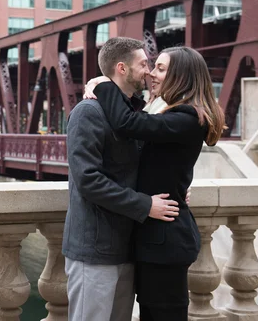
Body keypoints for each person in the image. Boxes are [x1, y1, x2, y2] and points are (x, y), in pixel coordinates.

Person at [84, 46, 226, 321]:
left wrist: (103, 84)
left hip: (166, 243)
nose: (152, 74)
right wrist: (177, 187)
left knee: (165, 315)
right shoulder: (177, 114)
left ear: (181, 75)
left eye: (161, 68)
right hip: (157, 241)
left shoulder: (186, 117)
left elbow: (127, 123)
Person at [62, 37, 182, 321]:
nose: (149, 71)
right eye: (143, 64)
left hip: (126, 247)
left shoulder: (131, 113)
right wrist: (145, 205)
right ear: (122, 68)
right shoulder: (88, 112)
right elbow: (88, 179)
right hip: (94, 250)